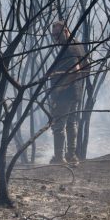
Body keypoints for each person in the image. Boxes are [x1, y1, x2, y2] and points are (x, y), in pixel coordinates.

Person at [46, 21, 89, 165]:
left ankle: (60, 158)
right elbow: (86, 67)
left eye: (57, 35)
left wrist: (59, 88)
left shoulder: (69, 48)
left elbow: (76, 70)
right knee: (71, 123)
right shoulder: (78, 46)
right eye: (53, 36)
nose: (55, 39)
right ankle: (71, 156)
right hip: (76, 92)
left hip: (65, 94)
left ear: (66, 31)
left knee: (59, 126)